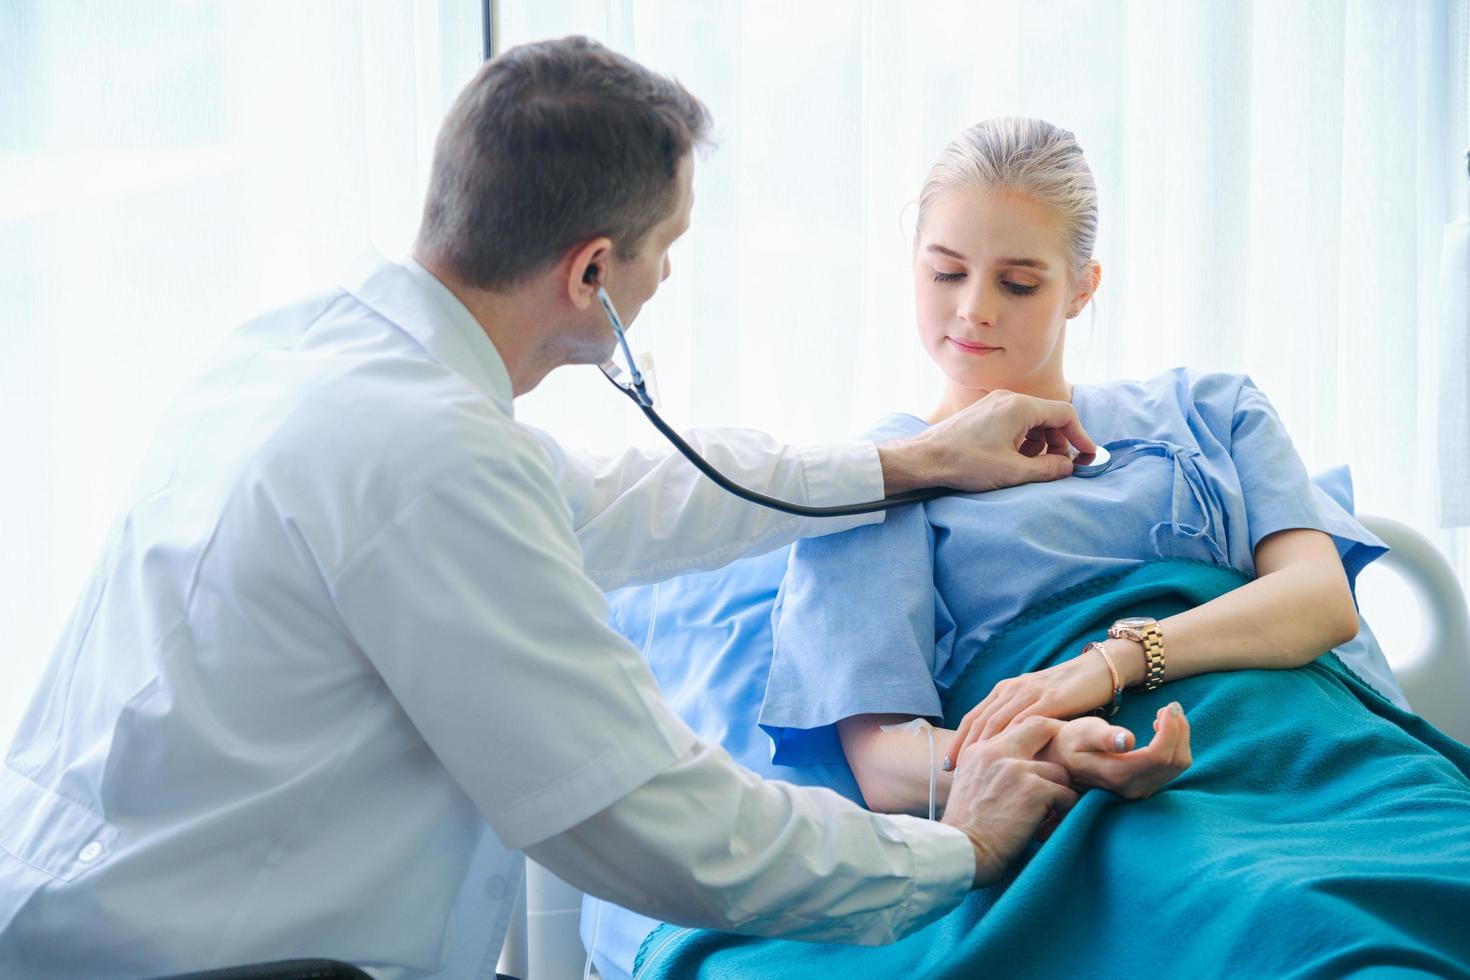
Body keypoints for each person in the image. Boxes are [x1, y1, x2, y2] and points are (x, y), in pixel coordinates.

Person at [0, 41, 1191, 980]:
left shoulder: (316, 356)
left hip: (85, 912)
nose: (667, 278)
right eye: (664, 251)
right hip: (214, 963)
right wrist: (957, 847)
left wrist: (912, 461)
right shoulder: (426, 459)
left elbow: (622, 501)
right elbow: (649, 815)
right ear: (590, 273)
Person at [586, 117, 1470, 979]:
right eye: (945, 273)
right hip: (1106, 793)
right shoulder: (877, 481)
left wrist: (1110, 666)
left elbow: (1318, 602)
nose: (972, 311)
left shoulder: (1208, 408)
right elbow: (888, 763)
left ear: (1082, 288)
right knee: (1298, 928)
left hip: (1313, 755)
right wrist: (1056, 747)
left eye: (1017, 283)